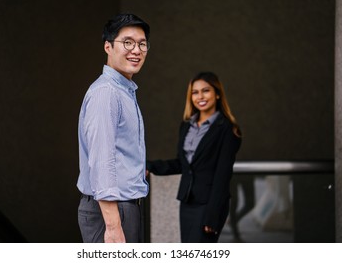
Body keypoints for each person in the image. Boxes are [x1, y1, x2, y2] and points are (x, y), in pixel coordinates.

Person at [77, 13, 150, 243]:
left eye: (142, 44)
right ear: (108, 46)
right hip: (111, 212)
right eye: (127, 42)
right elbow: (102, 160)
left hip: (125, 208)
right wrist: (113, 224)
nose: (136, 50)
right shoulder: (106, 92)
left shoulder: (124, 90)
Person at [147, 72, 242, 242]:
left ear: (217, 94)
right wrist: (149, 166)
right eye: (195, 92)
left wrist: (212, 215)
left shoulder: (227, 130)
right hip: (187, 201)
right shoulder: (186, 126)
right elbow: (181, 164)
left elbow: (223, 175)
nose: (200, 96)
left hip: (209, 205)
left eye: (206, 90)